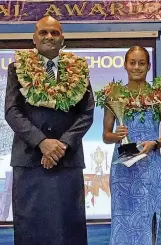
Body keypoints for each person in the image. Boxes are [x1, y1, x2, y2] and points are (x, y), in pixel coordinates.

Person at [5, 16, 94, 245]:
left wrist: (61, 145)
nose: (49, 37)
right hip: (30, 162)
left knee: (68, 231)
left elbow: (87, 113)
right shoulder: (17, 68)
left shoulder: (79, 69)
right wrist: (42, 142)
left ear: (62, 38)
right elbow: (12, 112)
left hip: (67, 163)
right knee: (31, 232)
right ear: (34, 38)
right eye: (43, 33)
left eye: (54, 33)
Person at [102, 46, 161, 245]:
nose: (136, 67)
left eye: (141, 63)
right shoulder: (114, 95)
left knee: (147, 218)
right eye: (132, 63)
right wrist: (116, 135)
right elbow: (105, 136)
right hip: (123, 167)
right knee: (121, 221)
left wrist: (155, 143)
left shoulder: (160, 96)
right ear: (125, 65)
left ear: (149, 66)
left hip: (149, 168)